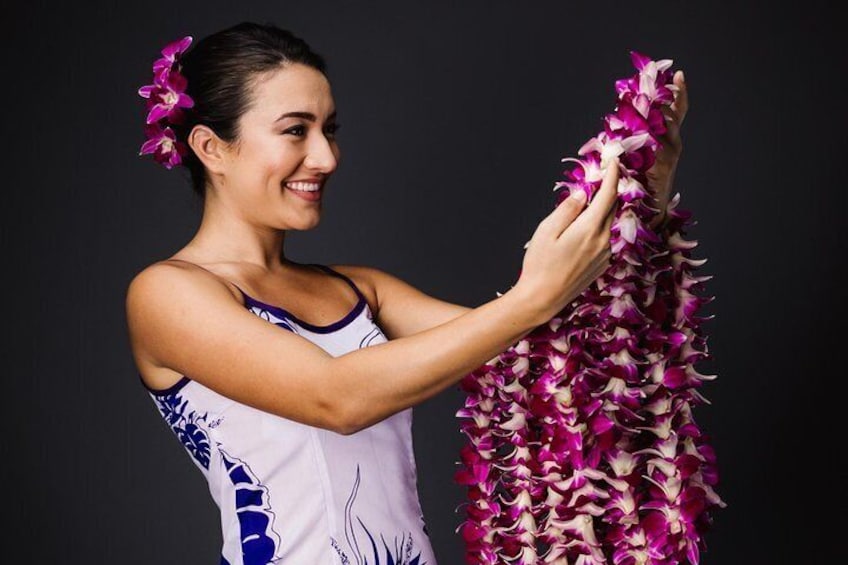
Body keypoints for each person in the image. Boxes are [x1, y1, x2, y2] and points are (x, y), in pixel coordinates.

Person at [125, 21, 687, 565]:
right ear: (210, 147)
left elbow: (538, 354)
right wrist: (528, 297)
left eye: (330, 130)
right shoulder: (168, 294)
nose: (326, 157)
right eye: (296, 130)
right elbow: (337, 399)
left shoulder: (360, 289)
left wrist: (640, 206)